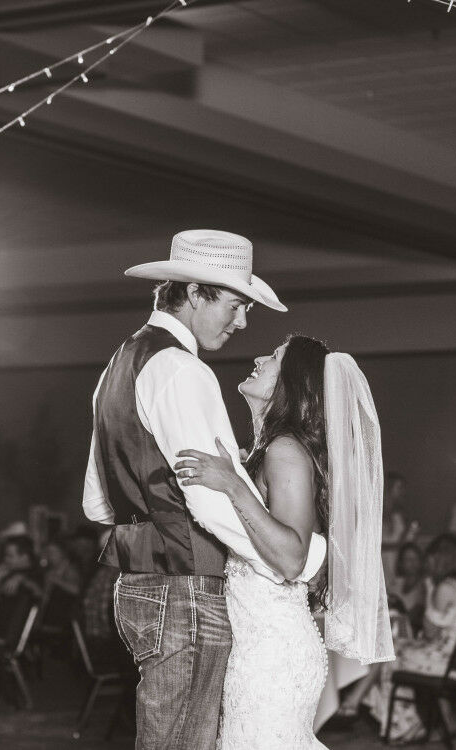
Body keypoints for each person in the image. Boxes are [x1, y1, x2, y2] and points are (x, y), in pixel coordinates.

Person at [81, 230, 327, 749]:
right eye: (236, 306)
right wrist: (285, 564)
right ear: (195, 293)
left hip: (139, 581)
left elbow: (97, 500)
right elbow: (211, 503)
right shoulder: (182, 369)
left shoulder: (120, 362)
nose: (241, 323)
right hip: (186, 586)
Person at [175, 335, 394, 748]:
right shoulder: (274, 449)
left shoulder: (285, 450)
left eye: (273, 357)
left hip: (271, 657)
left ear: (290, 382)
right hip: (260, 647)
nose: (258, 358)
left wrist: (233, 487)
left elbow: (292, 558)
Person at [366, 533, 456, 742]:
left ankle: (404, 726)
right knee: (398, 646)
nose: (426, 563)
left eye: (429, 558)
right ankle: (425, 720)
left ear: (439, 559)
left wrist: (431, 590)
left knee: (390, 653)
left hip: (446, 662)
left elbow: (430, 633)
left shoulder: (445, 588)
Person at [382, 472, 419, 591]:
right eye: (399, 487)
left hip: (398, 562)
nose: (403, 491)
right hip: (382, 562)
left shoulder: (400, 514)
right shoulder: (376, 514)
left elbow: (406, 540)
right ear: (388, 488)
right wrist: (399, 546)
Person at [392, 542, 427, 633]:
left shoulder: (425, 585)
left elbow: (416, 615)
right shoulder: (396, 583)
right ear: (401, 563)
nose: (412, 563)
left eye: (415, 558)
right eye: (408, 559)